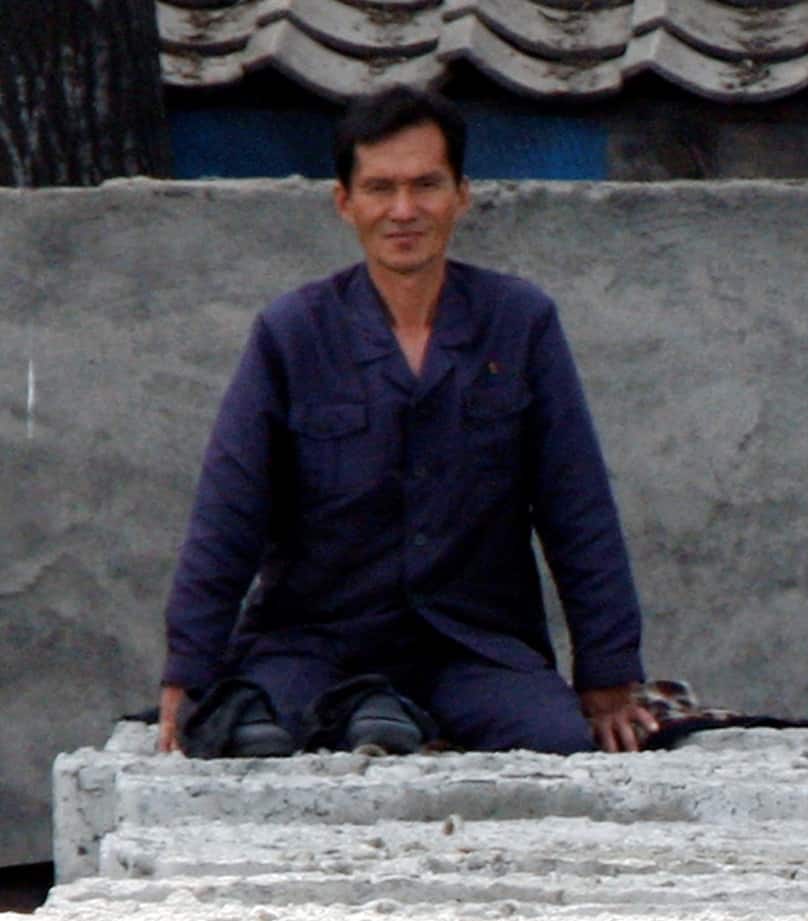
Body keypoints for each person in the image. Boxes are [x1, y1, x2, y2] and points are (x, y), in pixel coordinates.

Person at [157, 86, 654, 758]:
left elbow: (577, 504)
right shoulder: (292, 333)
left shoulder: (520, 323)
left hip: (474, 647)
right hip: (314, 646)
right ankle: (369, 712)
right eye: (380, 188)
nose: (403, 210)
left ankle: (399, 718)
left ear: (462, 195)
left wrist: (608, 673)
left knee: (558, 743)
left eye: (426, 185)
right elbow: (229, 510)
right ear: (345, 201)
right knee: (249, 738)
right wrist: (188, 671)